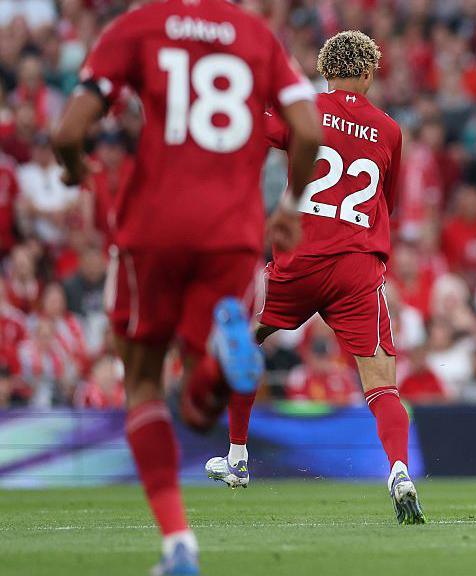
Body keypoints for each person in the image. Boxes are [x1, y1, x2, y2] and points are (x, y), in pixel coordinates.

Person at [51, 0, 321, 573]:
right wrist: (292, 204)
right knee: (201, 409)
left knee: (144, 381)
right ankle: (219, 364)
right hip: (234, 234)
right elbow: (306, 128)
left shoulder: (138, 26)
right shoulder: (258, 37)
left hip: (153, 228)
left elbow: (67, 131)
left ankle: (179, 545)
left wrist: (74, 170)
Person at [204, 31, 425, 525]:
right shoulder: (390, 130)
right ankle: (399, 471)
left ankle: (238, 457)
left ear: (326, 71)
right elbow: (389, 203)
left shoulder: (305, 111)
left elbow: (252, 127)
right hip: (357, 267)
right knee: (382, 385)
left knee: (243, 341)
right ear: (368, 73)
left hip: (298, 258)